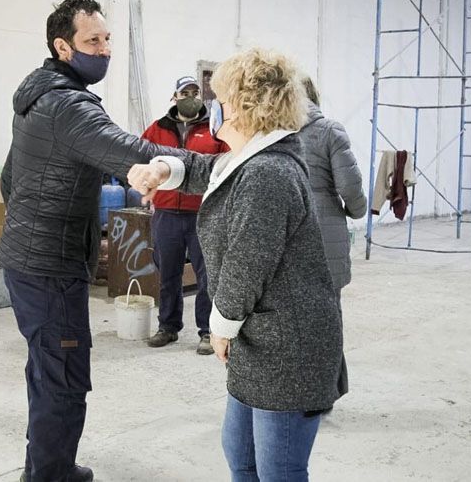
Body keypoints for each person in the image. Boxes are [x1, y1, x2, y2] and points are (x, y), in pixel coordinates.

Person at [0, 0, 193, 482]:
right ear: (63, 46)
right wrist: (207, 165)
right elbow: (134, 149)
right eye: (93, 41)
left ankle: (45, 468)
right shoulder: (68, 106)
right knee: (64, 379)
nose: (104, 50)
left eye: (107, 40)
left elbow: (8, 180)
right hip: (50, 265)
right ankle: (51, 476)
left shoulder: (37, 95)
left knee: (46, 373)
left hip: (25, 257)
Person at [128, 48, 342, 481]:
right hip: (261, 341)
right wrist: (161, 168)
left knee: (278, 469)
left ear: (243, 106)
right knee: (240, 455)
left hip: (287, 347)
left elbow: (247, 266)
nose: (212, 107)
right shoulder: (251, 160)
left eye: (220, 96)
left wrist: (220, 327)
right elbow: (205, 167)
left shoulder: (268, 173)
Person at [140, 76, 228, 354]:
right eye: (185, 92)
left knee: (206, 276)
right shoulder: (157, 129)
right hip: (166, 211)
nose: (191, 95)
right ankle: (168, 326)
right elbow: (141, 157)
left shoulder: (214, 128)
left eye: (195, 91)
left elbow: (227, 161)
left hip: (203, 213)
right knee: (168, 273)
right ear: (174, 97)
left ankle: (207, 331)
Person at [297, 77, 367, 400]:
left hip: (289, 230)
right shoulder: (330, 131)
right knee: (328, 315)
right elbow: (350, 188)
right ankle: (327, 390)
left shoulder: (273, 134)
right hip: (326, 235)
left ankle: (296, 391)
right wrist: (357, 210)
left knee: (293, 316)